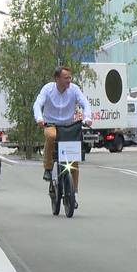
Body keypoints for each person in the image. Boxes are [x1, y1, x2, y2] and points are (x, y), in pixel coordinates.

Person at [33, 66, 92, 202]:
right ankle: (48, 168)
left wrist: (87, 117)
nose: (69, 81)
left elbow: (85, 104)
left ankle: (73, 194)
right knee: (51, 136)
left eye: (70, 78)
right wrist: (39, 118)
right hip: (51, 124)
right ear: (57, 79)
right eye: (66, 78)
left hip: (69, 126)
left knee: (74, 160)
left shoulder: (74, 89)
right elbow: (38, 104)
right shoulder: (48, 89)